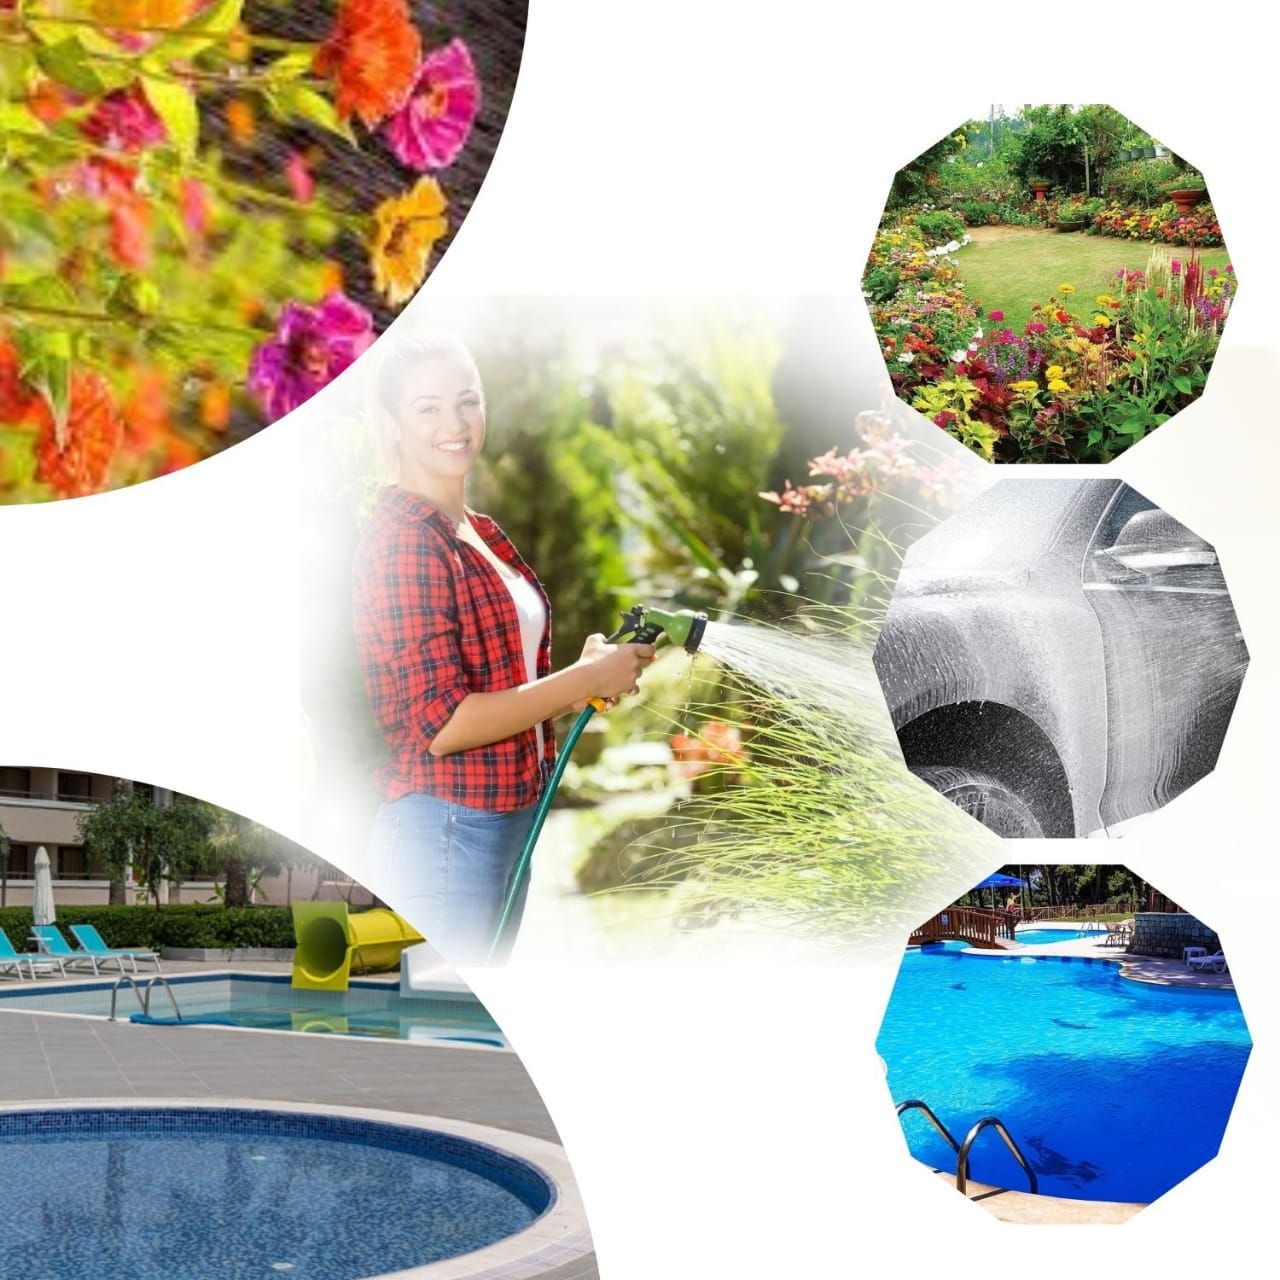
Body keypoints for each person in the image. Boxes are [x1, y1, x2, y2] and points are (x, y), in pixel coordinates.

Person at [352, 329, 653, 963]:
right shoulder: (406, 539)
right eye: (427, 407)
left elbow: (506, 685)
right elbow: (444, 722)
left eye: (467, 400)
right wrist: (582, 680)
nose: (454, 422)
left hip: (503, 818)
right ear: (392, 425)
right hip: (445, 827)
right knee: (447, 1036)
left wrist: (587, 676)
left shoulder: (477, 530)